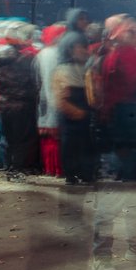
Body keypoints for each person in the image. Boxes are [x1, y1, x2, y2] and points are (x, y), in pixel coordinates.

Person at [101, 16, 136, 181]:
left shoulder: (113, 54)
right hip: (130, 107)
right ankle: (130, 177)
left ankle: (122, 174)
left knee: (122, 144)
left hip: (116, 106)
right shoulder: (129, 55)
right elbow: (135, 80)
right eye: (133, 32)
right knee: (131, 145)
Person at [0, 23, 41, 179]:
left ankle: (9, 167)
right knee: (23, 139)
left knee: (10, 137)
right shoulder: (27, 59)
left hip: (4, 104)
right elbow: (34, 82)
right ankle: (16, 169)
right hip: (22, 104)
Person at [53, 32, 96, 184]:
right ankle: (71, 174)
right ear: (70, 49)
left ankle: (86, 173)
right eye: (80, 47)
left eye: (85, 47)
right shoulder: (63, 70)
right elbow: (60, 98)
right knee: (70, 146)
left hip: (83, 115)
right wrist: (76, 112)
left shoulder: (85, 68)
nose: (85, 50)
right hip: (71, 117)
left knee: (85, 145)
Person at [34, 23, 67, 178]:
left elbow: (36, 80)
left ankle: (49, 168)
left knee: (47, 138)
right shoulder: (61, 54)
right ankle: (59, 169)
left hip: (43, 100)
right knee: (58, 138)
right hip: (58, 100)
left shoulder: (41, 54)